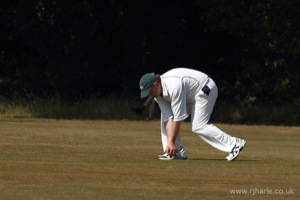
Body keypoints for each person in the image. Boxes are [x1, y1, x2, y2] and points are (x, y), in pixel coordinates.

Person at [139, 68, 246, 161]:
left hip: (205, 89)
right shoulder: (157, 95)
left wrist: (171, 141)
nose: (150, 95)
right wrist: (170, 143)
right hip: (190, 95)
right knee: (164, 118)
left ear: (156, 85)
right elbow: (168, 118)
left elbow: (177, 118)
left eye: (149, 91)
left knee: (197, 126)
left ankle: (234, 143)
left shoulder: (174, 86)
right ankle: (175, 152)